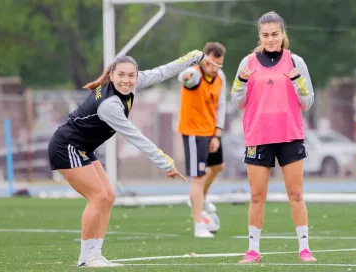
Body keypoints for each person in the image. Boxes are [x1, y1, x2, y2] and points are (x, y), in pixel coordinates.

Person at [48, 50, 221, 268]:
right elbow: (136, 137)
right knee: (98, 197)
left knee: (109, 197)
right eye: (121, 75)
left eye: (131, 76)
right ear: (111, 75)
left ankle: (96, 254)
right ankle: (86, 258)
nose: (126, 80)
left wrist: (191, 58)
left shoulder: (132, 84)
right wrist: (165, 162)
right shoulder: (110, 105)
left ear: (136, 76)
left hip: (82, 147)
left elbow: (162, 72)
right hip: (66, 147)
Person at [231, 11, 316, 263]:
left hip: (290, 135)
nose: (270, 39)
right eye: (265, 35)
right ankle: (253, 250)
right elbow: (237, 101)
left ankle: (304, 248)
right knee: (257, 196)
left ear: (283, 35)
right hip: (258, 136)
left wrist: (297, 80)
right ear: (259, 35)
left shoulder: (296, 62)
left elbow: (307, 102)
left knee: (296, 193)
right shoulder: (247, 63)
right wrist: (241, 81)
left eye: (275, 34)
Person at [177, 42, 227, 238]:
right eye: (211, 63)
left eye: (219, 64)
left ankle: (200, 198)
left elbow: (221, 105)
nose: (214, 68)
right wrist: (186, 76)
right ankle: (199, 225)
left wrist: (217, 133)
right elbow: (186, 78)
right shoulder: (195, 74)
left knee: (218, 167)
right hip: (193, 133)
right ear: (204, 59)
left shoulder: (220, 77)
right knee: (197, 177)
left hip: (210, 131)